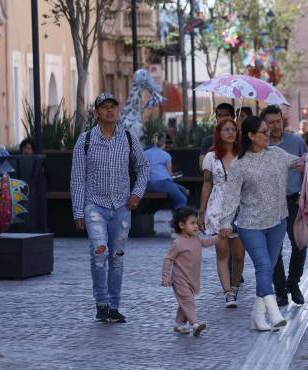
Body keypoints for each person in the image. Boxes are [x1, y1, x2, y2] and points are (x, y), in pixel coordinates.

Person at [219, 116, 308, 331]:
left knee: (267, 268)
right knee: (264, 266)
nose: (269, 134)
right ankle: (273, 313)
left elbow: (302, 162)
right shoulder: (239, 165)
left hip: (277, 222)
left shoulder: (277, 154)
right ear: (251, 135)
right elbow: (230, 197)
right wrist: (225, 222)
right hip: (250, 225)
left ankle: (257, 316)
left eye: (268, 130)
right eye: (263, 131)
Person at [70, 92, 149, 323]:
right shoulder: (85, 140)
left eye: (113, 106)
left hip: (122, 207)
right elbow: (77, 179)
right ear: (96, 112)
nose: (109, 110)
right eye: (104, 107)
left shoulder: (128, 138)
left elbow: (143, 167)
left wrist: (137, 193)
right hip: (94, 205)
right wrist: (78, 211)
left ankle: (114, 306)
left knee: (117, 257)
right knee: (99, 252)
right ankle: (101, 304)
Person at [261, 105, 308, 307]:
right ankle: (280, 291)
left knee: (300, 243)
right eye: (271, 122)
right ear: (264, 124)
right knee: (274, 249)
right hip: (270, 203)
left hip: (294, 201)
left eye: (278, 121)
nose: (275, 125)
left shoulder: (296, 142)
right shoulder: (259, 145)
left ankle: (293, 282)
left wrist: (305, 195)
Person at [198, 119, 245, 308]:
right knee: (223, 251)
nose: (231, 133)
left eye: (233, 129)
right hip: (217, 207)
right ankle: (228, 292)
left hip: (240, 207)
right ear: (219, 133)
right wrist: (201, 212)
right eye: (226, 130)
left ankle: (235, 286)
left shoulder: (243, 155)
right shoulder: (211, 157)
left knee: (239, 254)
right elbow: (206, 184)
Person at [162, 207, 219, 336]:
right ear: (182, 225)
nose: (196, 226)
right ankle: (195, 324)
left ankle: (178, 324)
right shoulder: (178, 243)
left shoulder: (196, 239)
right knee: (188, 301)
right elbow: (168, 259)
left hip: (192, 279)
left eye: (196, 223)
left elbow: (208, 242)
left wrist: (220, 237)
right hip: (180, 280)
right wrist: (165, 276)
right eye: (192, 223)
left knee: (184, 302)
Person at [144, 132, 188, 214]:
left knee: (181, 190)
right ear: (164, 143)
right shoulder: (166, 155)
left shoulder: (145, 153)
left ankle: (184, 191)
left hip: (148, 184)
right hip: (163, 183)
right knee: (182, 200)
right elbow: (170, 175)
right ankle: (179, 219)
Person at [199, 103, 235, 169]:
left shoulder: (239, 139)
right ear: (216, 118)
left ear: (233, 117)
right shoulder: (209, 140)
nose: (222, 118)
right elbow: (203, 167)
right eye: (219, 116)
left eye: (226, 115)